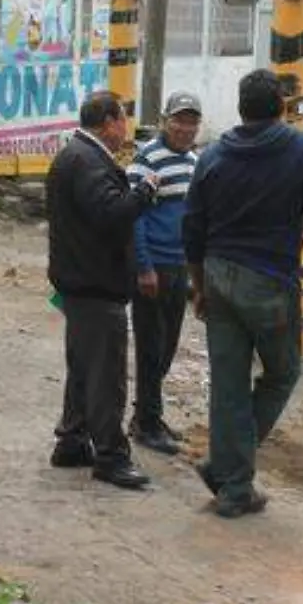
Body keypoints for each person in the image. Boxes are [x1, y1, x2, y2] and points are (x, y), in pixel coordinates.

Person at [183, 69, 303, 519]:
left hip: (219, 275)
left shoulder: (212, 155)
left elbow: (192, 225)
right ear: (282, 107)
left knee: (228, 386)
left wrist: (199, 286)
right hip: (267, 282)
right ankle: (234, 479)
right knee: (282, 373)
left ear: (241, 108)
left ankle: (229, 473)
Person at [46, 91, 161, 490]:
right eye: (123, 121)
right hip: (95, 284)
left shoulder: (77, 156)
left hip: (82, 281)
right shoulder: (87, 160)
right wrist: (144, 192)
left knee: (84, 368)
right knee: (106, 374)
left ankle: (73, 440)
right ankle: (111, 455)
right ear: (109, 121)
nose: (124, 130)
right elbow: (111, 216)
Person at [124, 92, 203, 457]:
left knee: (168, 345)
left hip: (179, 267)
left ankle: (147, 414)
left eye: (191, 121)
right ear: (164, 120)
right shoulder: (147, 159)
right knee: (151, 346)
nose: (185, 128)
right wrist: (143, 266)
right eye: (179, 120)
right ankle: (147, 423)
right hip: (154, 267)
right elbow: (134, 217)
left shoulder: (194, 162)